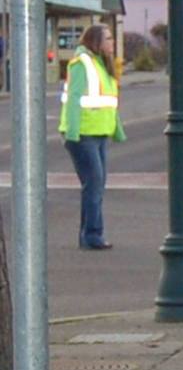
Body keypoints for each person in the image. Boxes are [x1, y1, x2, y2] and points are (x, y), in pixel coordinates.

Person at [59, 24, 125, 250]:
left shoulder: (102, 65)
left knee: (96, 183)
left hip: (98, 132)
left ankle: (89, 233)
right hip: (83, 134)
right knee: (94, 183)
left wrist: (117, 130)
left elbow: (109, 101)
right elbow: (75, 99)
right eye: (108, 38)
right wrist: (73, 133)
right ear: (96, 41)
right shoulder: (81, 64)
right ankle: (92, 234)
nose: (112, 42)